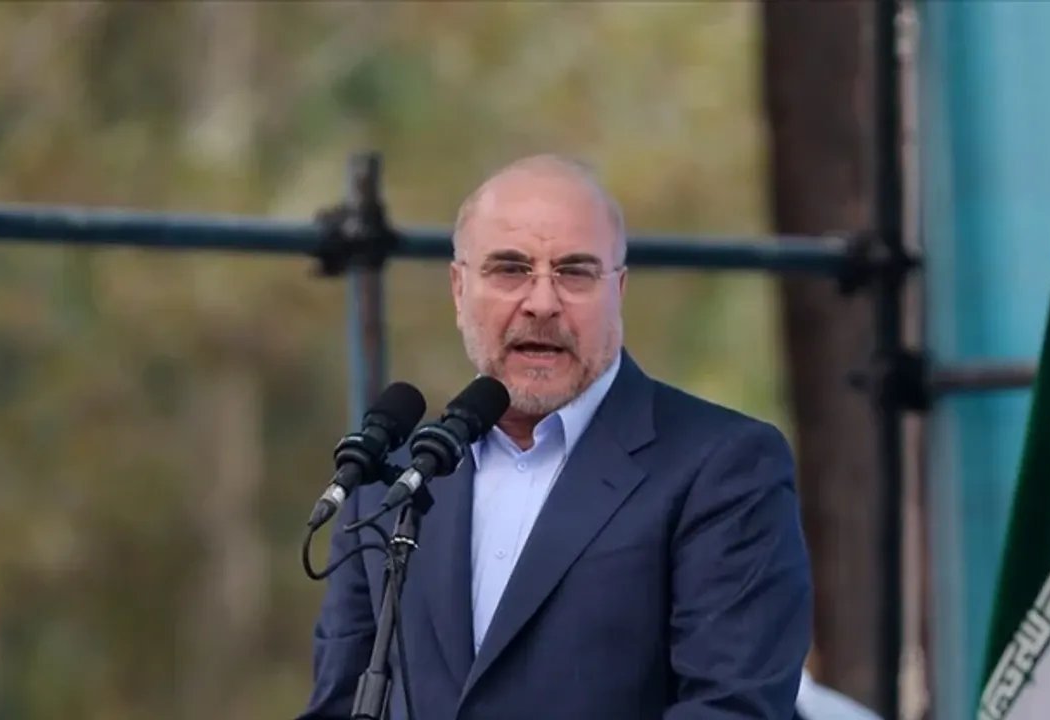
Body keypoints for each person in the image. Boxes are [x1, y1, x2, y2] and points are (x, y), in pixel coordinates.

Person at [299, 154, 813, 720]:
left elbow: (730, 708)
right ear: (459, 289)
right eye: (510, 269)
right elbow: (338, 704)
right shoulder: (390, 481)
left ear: (619, 291)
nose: (542, 303)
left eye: (574, 272)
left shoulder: (724, 465)